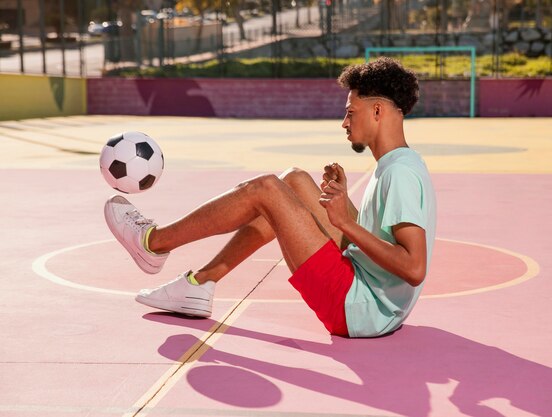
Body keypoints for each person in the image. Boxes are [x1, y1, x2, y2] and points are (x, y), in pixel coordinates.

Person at [104, 57, 437, 338]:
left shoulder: (399, 174)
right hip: (372, 295)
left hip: (358, 308)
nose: (344, 122)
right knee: (293, 180)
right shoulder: (398, 163)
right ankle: (200, 284)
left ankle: (154, 243)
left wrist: (345, 222)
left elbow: (414, 267)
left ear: (377, 111)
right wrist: (343, 207)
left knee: (267, 189)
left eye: (351, 112)